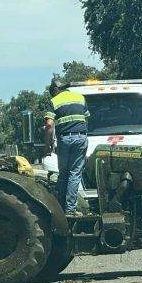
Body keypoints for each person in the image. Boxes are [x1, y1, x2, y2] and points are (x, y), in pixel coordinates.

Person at [44, 79, 89, 215]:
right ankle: (70, 209)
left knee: (63, 174)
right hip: (81, 137)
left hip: (65, 138)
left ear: (56, 90)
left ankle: (61, 208)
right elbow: (86, 118)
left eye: (52, 93)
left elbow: (49, 125)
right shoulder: (80, 98)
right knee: (75, 174)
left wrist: (48, 145)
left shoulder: (54, 101)